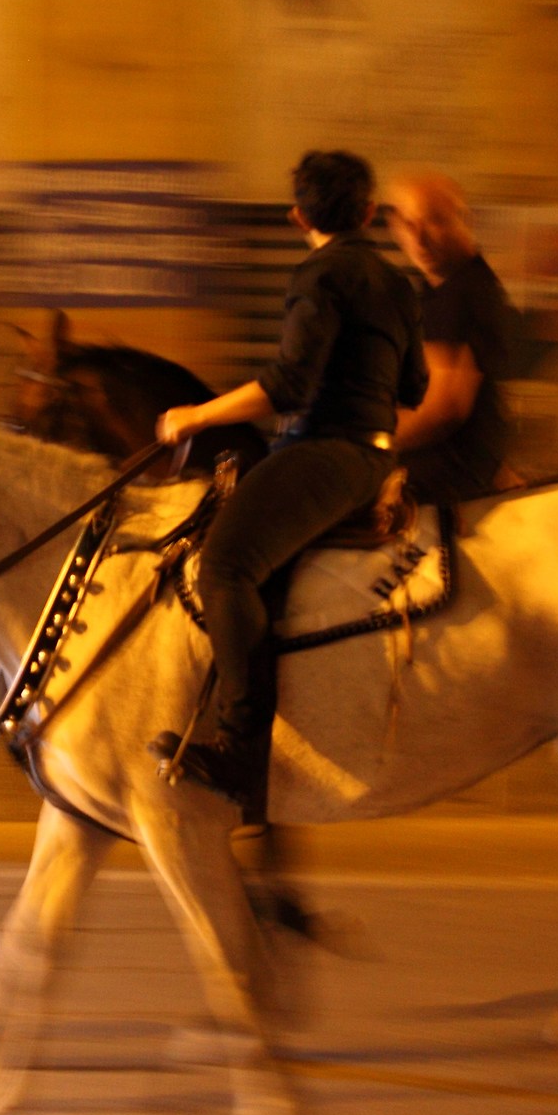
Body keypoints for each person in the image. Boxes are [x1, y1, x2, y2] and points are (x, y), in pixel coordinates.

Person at [155, 150, 427, 799]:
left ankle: (241, 749)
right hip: (374, 452)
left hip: (327, 453)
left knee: (224, 567)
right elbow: (413, 385)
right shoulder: (396, 282)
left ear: (297, 214)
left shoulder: (319, 273)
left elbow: (289, 384)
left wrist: (194, 417)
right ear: (367, 212)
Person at [385, 172, 521, 502]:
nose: (420, 239)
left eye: (434, 222)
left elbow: (444, 409)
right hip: (459, 459)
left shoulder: (462, 293)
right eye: (408, 224)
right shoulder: (440, 288)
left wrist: (366, 439)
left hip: (448, 467)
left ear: (464, 220)